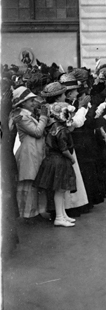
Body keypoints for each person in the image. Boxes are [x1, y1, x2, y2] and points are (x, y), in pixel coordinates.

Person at [33, 102, 78, 228]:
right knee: (60, 190)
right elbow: (64, 149)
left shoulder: (53, 126)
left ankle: (62, 214)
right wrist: (71, 158)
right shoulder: (63, 130)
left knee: (61, 190)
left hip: (53, 160)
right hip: (60, 161)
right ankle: (59, 217)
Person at [9, 86, 49, 219]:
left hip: (34, 150)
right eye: (31, 100)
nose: (34, 102)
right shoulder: (20, 116)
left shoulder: (25, 114)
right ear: (22, 103)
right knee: (31, 182)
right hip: (29, 152)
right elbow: (37, 132)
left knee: (35, 181)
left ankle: (35, 211)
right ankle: (28, 213)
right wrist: (43, 117)